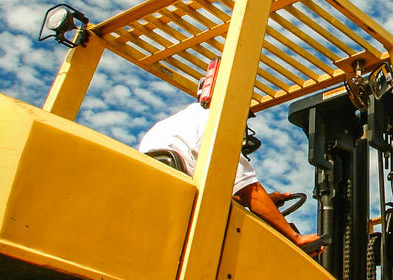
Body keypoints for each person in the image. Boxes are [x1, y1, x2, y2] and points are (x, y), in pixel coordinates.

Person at [138, 89, 321, 251]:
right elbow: (252, 190)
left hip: (166, 218)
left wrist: (266, 201)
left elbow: (201, 188)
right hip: (194, 229)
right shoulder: (215, 126)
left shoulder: (168, 126)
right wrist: (295, 238)